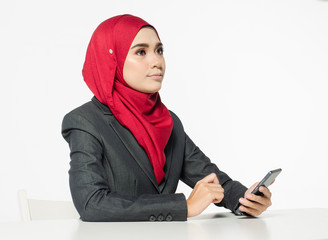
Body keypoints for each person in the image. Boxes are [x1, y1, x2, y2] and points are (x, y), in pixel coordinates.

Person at [61, 14, 272, 222]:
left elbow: (213, 181)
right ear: (111, 60)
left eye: (159, 50)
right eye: (141, 52)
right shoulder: (85, 122)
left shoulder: (167, 121)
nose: (156, 61)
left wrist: (246, 199)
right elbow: (91, 204)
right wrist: (184, 206)